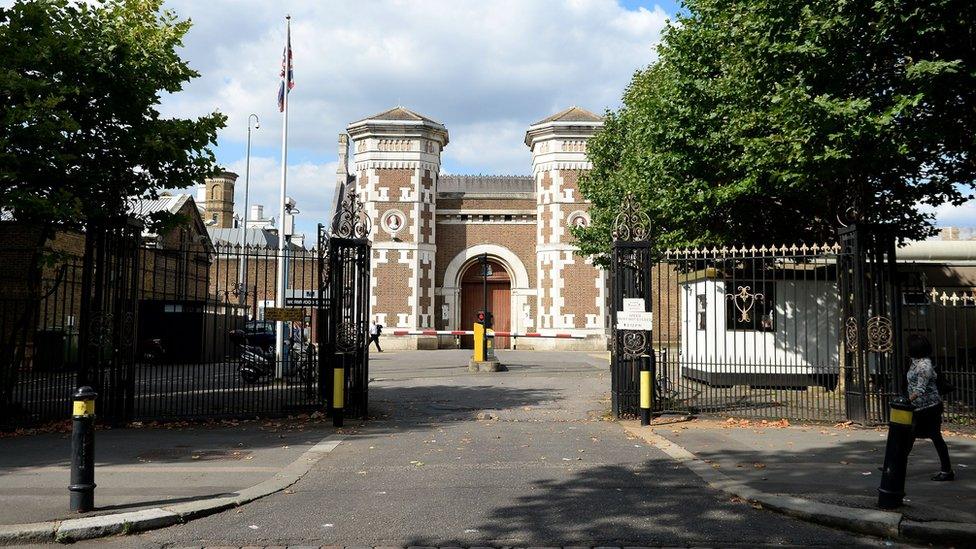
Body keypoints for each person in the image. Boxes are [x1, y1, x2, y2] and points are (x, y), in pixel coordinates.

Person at [907, 334, 954, 481]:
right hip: (919, 408)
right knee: (909, 437)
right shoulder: (915, 362)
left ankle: (947, 471)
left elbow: (920, 389)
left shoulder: (924, 366)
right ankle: (896, 464)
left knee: (935, 437)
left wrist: (906, 401)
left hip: (929, 408)